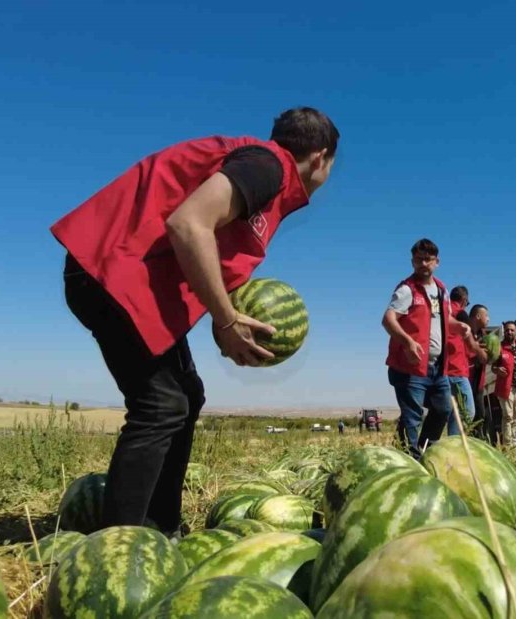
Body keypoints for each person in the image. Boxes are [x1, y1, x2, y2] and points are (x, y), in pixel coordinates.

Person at [51, 107, 339, 537]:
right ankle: (119, 544)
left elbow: (205, 252)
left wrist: (224, 313)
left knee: (187, 395)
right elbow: (188, 224)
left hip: (132, 281)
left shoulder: (261, 171)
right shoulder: (267, 166)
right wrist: (225, 320)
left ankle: (162, 526)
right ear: (320, 157)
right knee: (161, 405)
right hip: (112, 272)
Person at [382, 239, 470, 459]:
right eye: (419, 259)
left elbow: (444, 319)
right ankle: (411, 460)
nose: (423, 264)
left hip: (437, 367)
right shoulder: (407, 289)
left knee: (443, 409)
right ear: (412, 261)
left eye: (428, 259)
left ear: (437, 262)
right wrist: (408, 342)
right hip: (410, 366)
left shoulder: (441, 290)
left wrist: (458, 326)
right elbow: (389, 319)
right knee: (412, 417)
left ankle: (423, 451)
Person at [445, 286, 482, 435]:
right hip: (456, 369)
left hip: (443, 368)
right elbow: (471, 342)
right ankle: (455, 442)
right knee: (467, 411)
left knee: (450, 411)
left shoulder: (444, 312)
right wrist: (480, 351)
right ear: (464, 300)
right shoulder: (460, 313)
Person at [467, 304, 495, 443]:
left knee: (480, 415)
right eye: (487, 316)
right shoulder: (465, 332)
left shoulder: (484, 335)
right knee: (468, 415)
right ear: (478, 316)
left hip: (478, 382)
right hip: (466, 379)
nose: (488, 319)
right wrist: (476, 350)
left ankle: (477, 443)